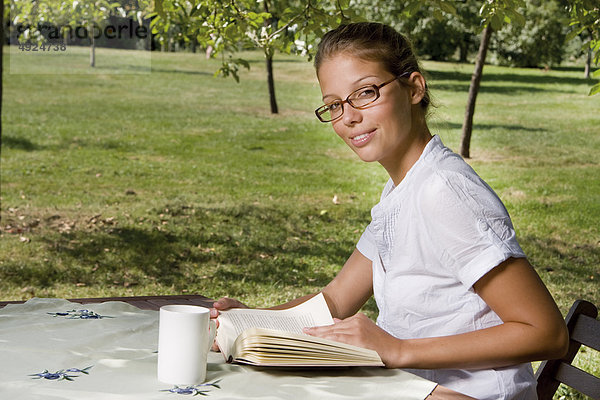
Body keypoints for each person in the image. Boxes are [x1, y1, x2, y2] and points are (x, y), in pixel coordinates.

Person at [210, 22, 568, 400]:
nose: (348, 116)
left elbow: (546, 332)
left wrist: (397, 350)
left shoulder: (444, 192)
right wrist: (254, 320)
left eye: (365, 93)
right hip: (407, 388)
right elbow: (335, 301)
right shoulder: (402, 191)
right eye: (334, 104)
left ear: (414, 88)